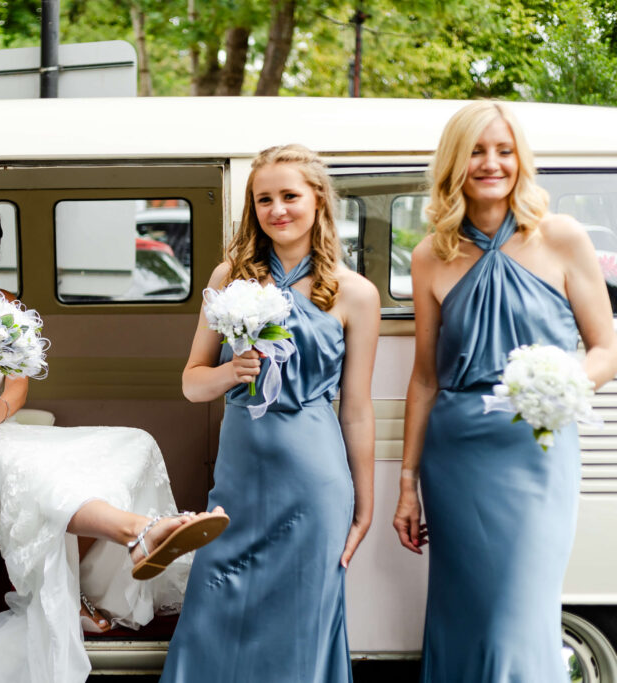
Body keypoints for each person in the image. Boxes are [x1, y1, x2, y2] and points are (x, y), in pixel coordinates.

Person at [0, 191, 229, 683]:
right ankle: (140, 531)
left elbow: (17, 386)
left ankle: (101, 581)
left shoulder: (5, 304)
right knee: (36, 470)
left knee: (133, 441)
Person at [392, 101, 617, 681]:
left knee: (516, 613)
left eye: (504, 150)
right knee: (464, 612)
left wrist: (561, 387)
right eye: (476, 150)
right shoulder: (429, 256)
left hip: (537, 449)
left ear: (521, 159)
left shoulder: (562, 237)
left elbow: (606, 350)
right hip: (456, 457)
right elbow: (424, 377)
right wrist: (408, 484)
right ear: (454, 163)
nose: (491, 163)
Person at [160, 144, 379, 683]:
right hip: (241, 477)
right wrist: (232, 372)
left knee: (302, 619)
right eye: (264, 199)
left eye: (290, 196)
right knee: (216, 607)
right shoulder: (229, 277)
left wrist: (365, 507)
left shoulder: (355, 294)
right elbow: (192, 383)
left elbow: (356, 408)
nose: (277, 209)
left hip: (315, 482)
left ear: (318, 200)